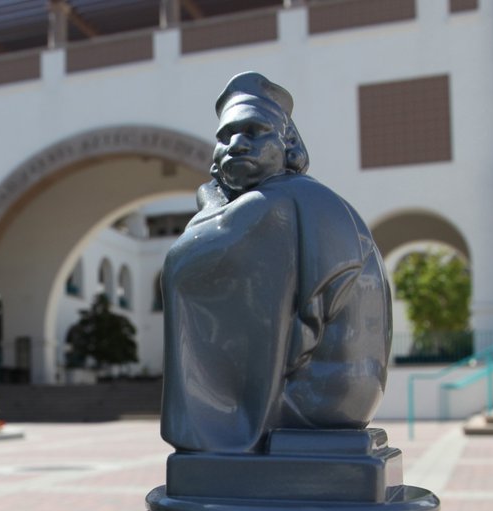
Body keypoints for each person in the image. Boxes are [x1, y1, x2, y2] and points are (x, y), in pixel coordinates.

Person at [160, 72, 392, 454]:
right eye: (224, 137)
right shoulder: (313, 197)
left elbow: (183, 267)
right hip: (349, 401)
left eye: (253, 132)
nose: (235, 145)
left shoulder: (272, 204)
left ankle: (228, 426)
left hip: (309, 403)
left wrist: (212, 204)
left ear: (286, 145)